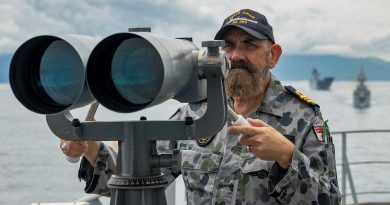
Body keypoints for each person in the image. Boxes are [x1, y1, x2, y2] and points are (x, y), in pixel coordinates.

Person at [60, 8, 341, 204]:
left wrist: (286, 156)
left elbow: (328, 199)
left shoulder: (303, 119)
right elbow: (127, 181)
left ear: (273, 55)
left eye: (250, 45)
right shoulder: (196, 113)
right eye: (227, 46)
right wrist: (91, 149)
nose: (236, 55)